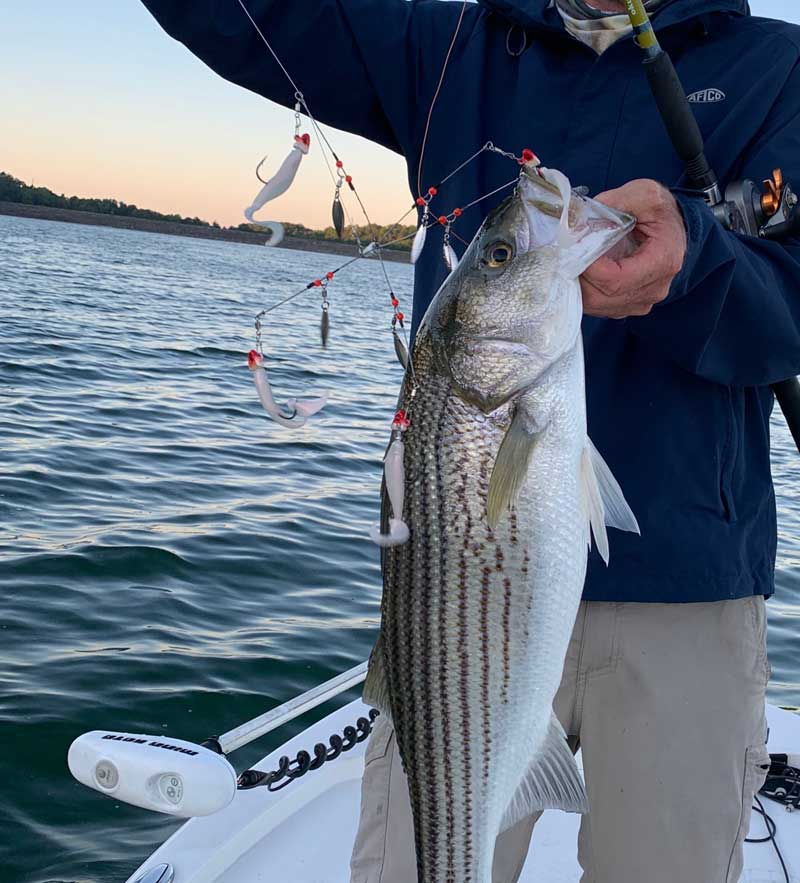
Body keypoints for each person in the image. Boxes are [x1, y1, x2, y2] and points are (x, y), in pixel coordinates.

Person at [140, 0, 800, 879]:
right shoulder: (447, 45)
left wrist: (699, 262)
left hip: (689, 583)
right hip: (451, 601)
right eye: (496, 256)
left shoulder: (776, 67)